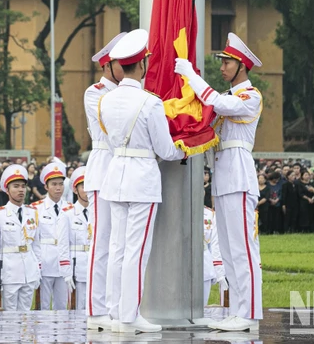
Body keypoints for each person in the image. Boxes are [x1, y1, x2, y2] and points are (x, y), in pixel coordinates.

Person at [175, 31, 263, 332]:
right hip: (223, 176)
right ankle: (239, 311)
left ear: (242, 66)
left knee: (243, 248)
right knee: (227, 249)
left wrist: (189, 75)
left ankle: (249, 312)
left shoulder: (251, 96)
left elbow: (214, 104)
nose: (222, 66)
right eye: (223, 61)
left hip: (238, 175)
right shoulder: (226, 97)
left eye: (227, 62)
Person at [102, 29, 185, 334]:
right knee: (137, 250)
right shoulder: (150, 103)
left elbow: (111, 142)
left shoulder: (106, 101)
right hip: (142, 179)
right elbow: (165, 149)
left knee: (118, 249)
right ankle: (129, 316)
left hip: (117, 174)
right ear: (143, 65)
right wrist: (187, 145)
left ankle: (115, 313)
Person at [82, 32, 125, 331]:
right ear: (108, 66)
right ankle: (97, 308)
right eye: (123, 63)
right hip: (103, 167)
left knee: (122, 244)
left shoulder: (130, 91)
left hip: (123, 170)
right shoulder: (96, 92)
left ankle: (118, 306)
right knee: (103, 243)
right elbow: (111, 128)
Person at [0, 165, 42, 311]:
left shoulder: (32, 213)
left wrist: (38, 269)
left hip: (29, 271)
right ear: (7, 190)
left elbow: (36, 246)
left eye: (23, 186)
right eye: (16, 186)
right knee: (10, 317)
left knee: (26, 315)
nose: (21, 190)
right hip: (10, 272)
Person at [31, 161, 74, 310]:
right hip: (45, 260)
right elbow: (34, 239)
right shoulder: (36, 209)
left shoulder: (71, 209)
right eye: (54, 184)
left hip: (64, 262)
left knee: (62, 305)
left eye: (61, 184)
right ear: (46, 186)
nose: (58, 188)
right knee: (43, 305)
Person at [65, 166, 90, 311]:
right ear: (75, 190)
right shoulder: (68, 214)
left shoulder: (99, 212)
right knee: (78, 308)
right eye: (83, 186)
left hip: (95, 266)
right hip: (77, 267)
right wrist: (66, 271)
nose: (87, 190)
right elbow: (63, 245)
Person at [203, 206, 227, 310]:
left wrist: (218, 272)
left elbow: (214, 245)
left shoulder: (210, 214)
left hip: (204, 266)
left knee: (201, 308)